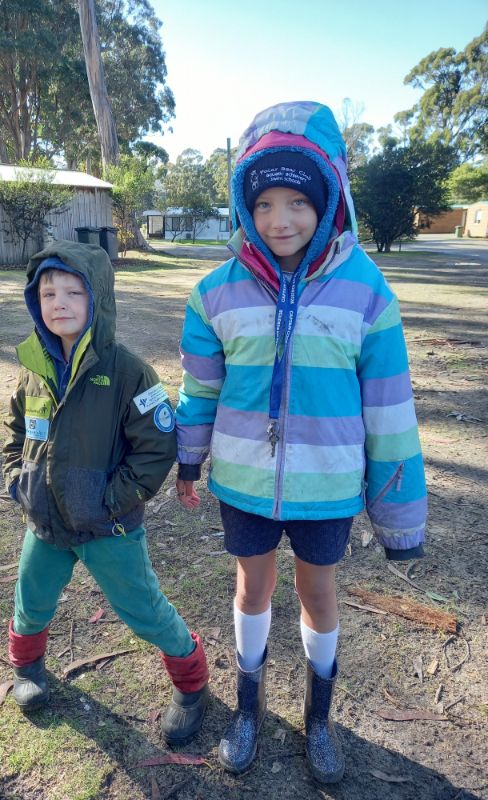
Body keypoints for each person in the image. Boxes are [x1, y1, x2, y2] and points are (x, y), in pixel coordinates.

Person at [175, 101, 427, 781]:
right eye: (262, 204)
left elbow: (389, 408)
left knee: (319, 594)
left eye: (296, 201)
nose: (278, 220)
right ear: (243, 206)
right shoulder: (214, 293)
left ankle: (319, 719)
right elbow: (199, 390)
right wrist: (189, 460)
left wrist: (398, 515)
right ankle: (248, 708)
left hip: (327, 485)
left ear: (328, 201)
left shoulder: (368, 293)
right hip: (245, 482)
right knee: (251, 590)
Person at [2, 240, 208, 745]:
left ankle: (192, 682)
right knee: (31, 598)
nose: (60, 303)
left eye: (74, 292)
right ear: (35, 301)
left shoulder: (130, 372)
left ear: (99, 300)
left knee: (144, 609)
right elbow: (15, 430)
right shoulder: (33, 367)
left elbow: (156, 450)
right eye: (48, 293)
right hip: (46, 523)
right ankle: (27, 669)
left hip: (108, 527)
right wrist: (18, 478)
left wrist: (107, 501)